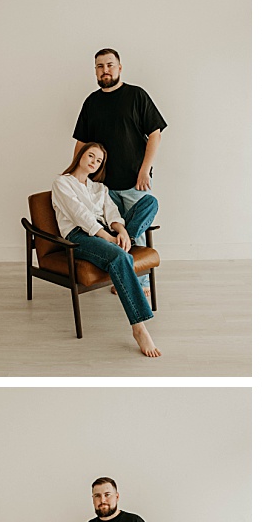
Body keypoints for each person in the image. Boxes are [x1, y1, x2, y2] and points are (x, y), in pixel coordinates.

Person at [50, 142, 161, 357]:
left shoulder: (99, 188)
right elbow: (80, 216)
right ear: (80, 155)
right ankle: (139, 327)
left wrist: (120, 231)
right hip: (79, 236)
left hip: (105, 232)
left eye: (98, 160)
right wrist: (109, 238)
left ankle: (126, 241)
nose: (94, 162)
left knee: (150, 202)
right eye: (91, 156)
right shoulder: (62, 183)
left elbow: (111, 214)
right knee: (120, 257)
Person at [72, 48, 165, 292]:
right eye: (100, 66)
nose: (105, 70)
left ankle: (141, 283)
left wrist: (145, 170)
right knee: (110, 230)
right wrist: (75, 175)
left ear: (120, 67)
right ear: (95, 71)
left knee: (137, 232)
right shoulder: (91, 102)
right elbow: (81, 143)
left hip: (136, 181)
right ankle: (121, 277)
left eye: (110, 65)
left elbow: (155, 134)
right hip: (102, 187)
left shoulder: (136, 95)